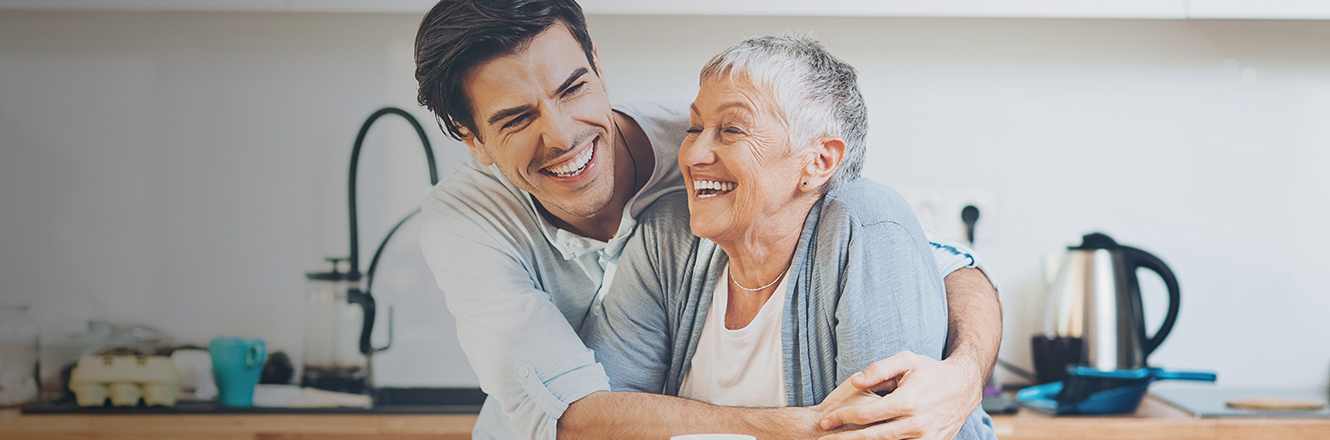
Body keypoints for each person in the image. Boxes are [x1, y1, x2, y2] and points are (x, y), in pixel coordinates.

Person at [414, 0, 1003, 438]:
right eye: (517, 118)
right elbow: (581, 417)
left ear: (596, 63)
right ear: (472, 138)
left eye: (573, 89)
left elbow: (937, 264)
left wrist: (967, 373)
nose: (563, 135)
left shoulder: (728, 162)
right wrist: (801, 429)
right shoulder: (469, 223)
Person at [584, 34, 995, 440]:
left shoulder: (867, 225)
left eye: (731, 130)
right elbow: (599, 419)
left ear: (819, 161)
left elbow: (876, 432)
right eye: (694, 128)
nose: (692, 155)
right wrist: (798, 428)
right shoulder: (666, 235)